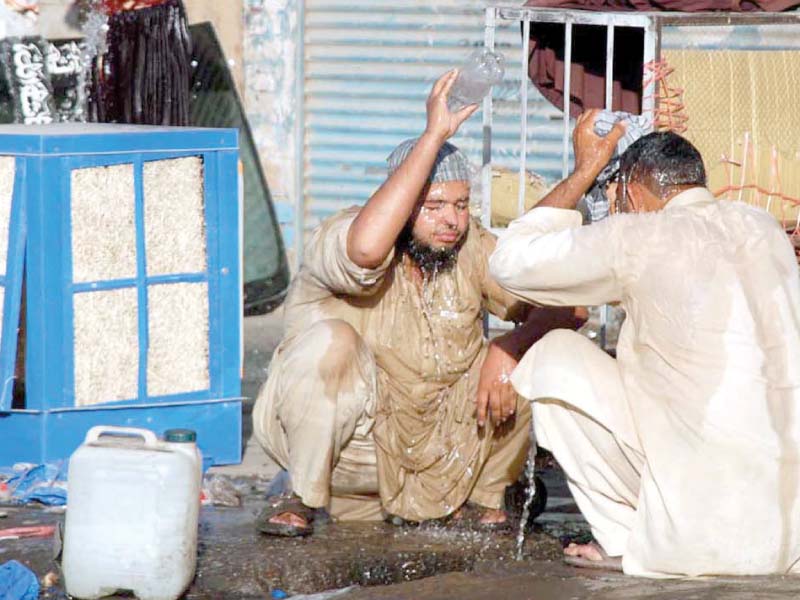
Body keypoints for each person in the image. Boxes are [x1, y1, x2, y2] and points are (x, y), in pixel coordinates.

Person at [252, 71, 582, 536]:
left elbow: (566, 302)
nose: (452, 220)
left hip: (440, 457)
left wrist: (510, 346)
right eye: (433, 206)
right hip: (351, 452)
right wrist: (435, 136)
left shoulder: (469, 247)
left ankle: (486, 500)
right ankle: (301, 496)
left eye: (461, 205)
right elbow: (366, 250)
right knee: (333, 341)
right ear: (401, 204)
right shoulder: (338, 239)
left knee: (538, 353)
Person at [489, 110, 800, 577]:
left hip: (703, 545)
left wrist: (585, 170)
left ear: (633, 192)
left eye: (617, 201)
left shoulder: (640, 235)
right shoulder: (763, 227)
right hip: (790, 538)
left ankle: (631, 545)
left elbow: (510, 262)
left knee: (554, 353)